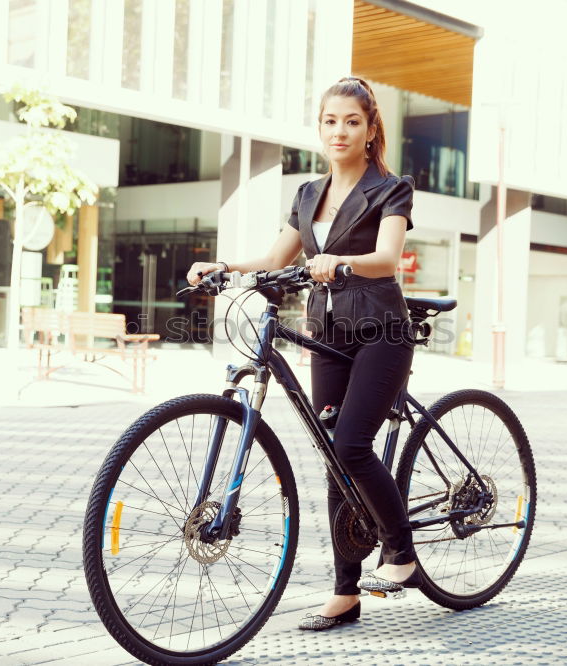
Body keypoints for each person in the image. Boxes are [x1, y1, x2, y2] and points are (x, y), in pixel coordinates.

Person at [186, 76, 418, 631]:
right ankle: (345, 593)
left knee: (351, 444)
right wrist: (223, 267)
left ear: (370, 130)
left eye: (352, 121)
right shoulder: (308, 194)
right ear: (320, 129)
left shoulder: (391, 188)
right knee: (333, 456)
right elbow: (272, 261)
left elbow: (387, 257)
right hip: (328, 334)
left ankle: (402, 552)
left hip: (382, 329)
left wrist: (340, 260)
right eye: (330, 121)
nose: (340, 131)